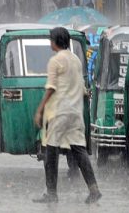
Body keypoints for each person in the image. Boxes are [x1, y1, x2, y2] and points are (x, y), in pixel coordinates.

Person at [33, 27, 101, 204]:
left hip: (59, 112)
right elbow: (81, 87)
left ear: (55, 41)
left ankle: (51, 193)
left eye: (50, 39)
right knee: (79, 150)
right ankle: (94, 189)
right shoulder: (76, 60)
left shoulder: (55, 61)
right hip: (75, 113)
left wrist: (40, 109)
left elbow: (51, 88)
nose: (50, 42)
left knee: (51, 151)